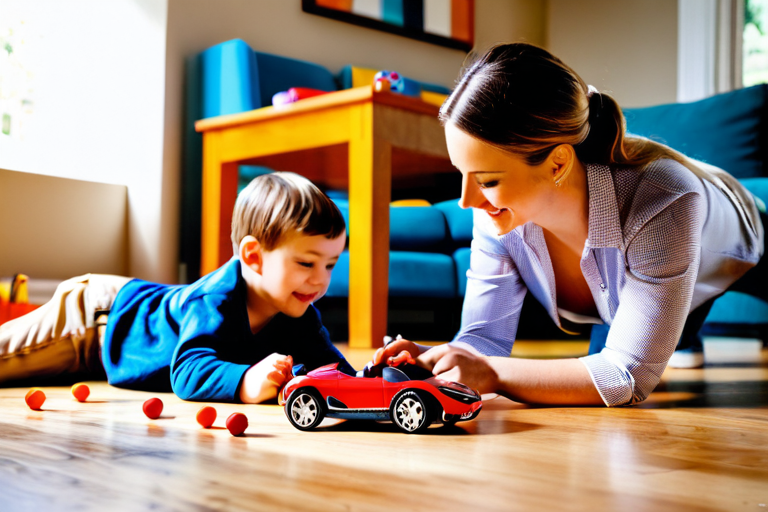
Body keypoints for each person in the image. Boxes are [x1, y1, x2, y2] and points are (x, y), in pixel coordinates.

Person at [374, 43, 766, 407]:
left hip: (745, 236)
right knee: (607, 360)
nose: (467, 201)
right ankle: (681, 331)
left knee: (615, 369)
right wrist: (437, 359)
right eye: (462, 174)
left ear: (558, 163)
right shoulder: (495, 214)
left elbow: (627, 377)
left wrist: (492, 375)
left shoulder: (665, 198)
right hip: (660, 269)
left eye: (488, 180)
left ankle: (681, 328)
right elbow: (484, 342)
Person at [0, 172, 353, 403]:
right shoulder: (215, 299)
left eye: (330, 265)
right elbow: (188, 370)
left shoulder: (299, 311)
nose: (320, 280)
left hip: (111, 355)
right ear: (254, 256)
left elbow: (337, 375)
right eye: (306, 263)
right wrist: (246, 381)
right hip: (96, 321)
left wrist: (390, 370)